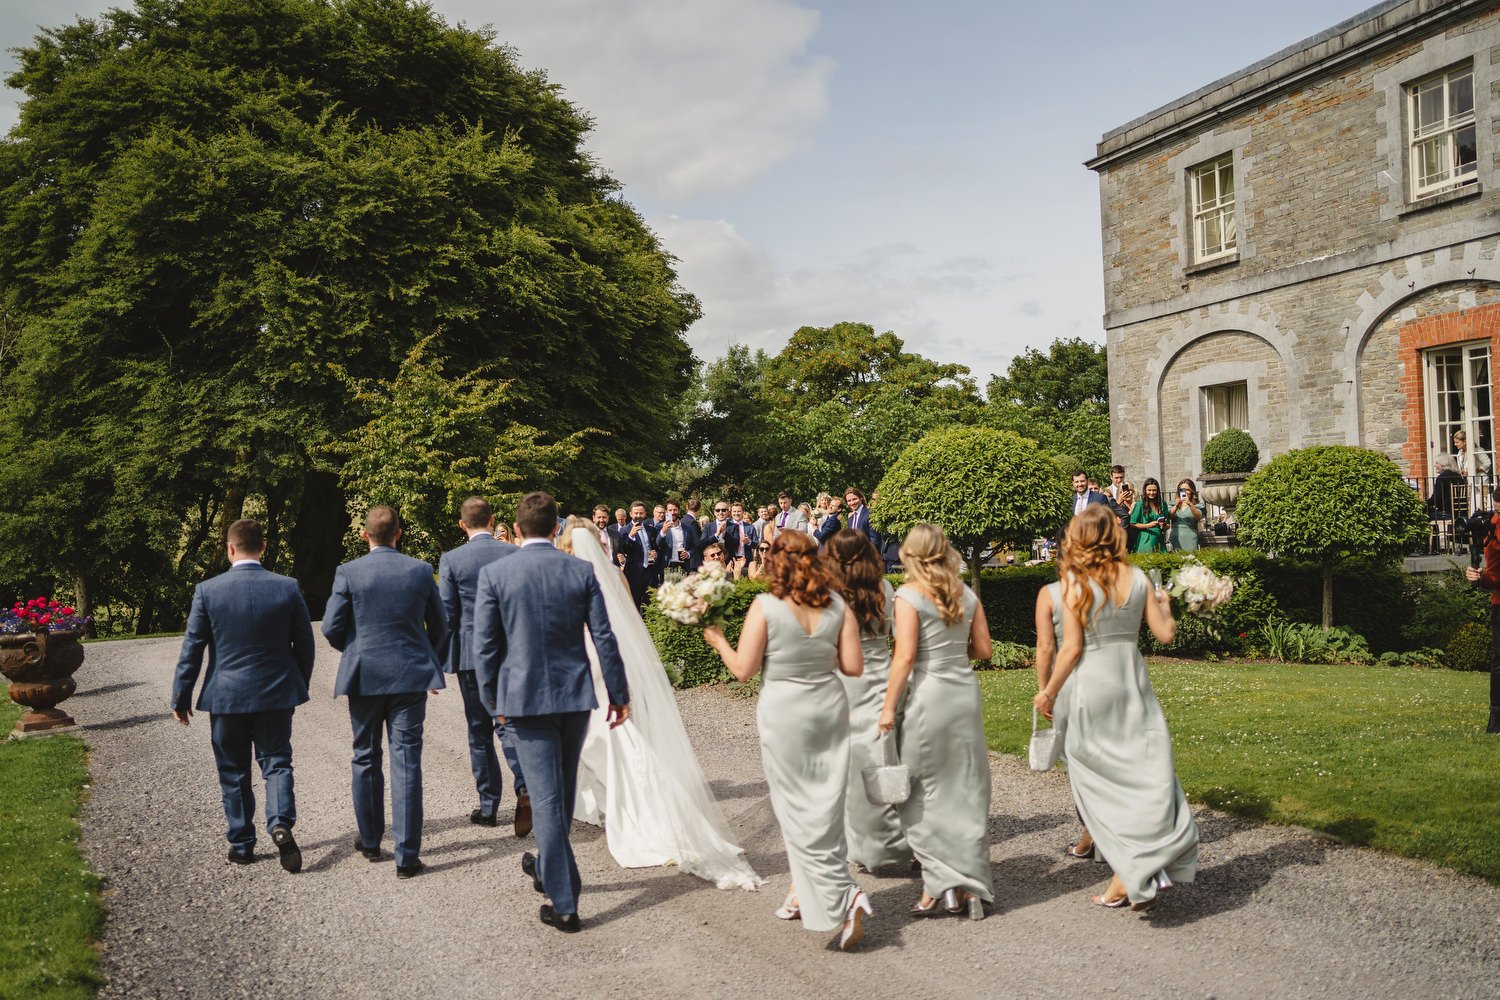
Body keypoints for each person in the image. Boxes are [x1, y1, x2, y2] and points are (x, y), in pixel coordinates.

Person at [558, 522, 764, 888]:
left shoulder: (565, 575)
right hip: (608, 660)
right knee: (609, 734)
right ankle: (613, 800)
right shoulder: (613, 573)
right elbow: (631, 624)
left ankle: (626, 806)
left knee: (596, 736)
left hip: (583, 661)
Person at [702, 531, 873, 951]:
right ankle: (804, 891)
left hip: (785, 711)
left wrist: (718, 639)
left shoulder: (765, 607)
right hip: (829, 707)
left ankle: (844, 893)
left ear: (776, 561)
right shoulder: (838, 606)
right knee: (826, 803)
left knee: (795, 808)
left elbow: (743, 669)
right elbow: (852, 667)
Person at [472, 492, 630, 933]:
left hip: (523, 700)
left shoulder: (496, 573)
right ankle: (549, 871)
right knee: (557, 792)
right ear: (555, 526)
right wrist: (618, 694)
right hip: (574, 697)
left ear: (518, 529)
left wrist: (491, 702)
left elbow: (484, 648)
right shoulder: (579, 570)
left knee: (546, 798)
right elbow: (604, 637)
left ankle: (565, 904)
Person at [1034, 504, 1198, 910]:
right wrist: (1166, 608)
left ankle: (1129, 870)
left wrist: (1048, 692)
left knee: (1098, 783)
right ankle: (1135, 867)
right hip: (1131, 683)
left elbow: (1070, 649)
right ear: (1114, 536)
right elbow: (1164, 636)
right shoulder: (1139, 578)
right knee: (1144, 771)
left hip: (1090, 685)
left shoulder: (1074, 583)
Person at [171, 518, 315, 872]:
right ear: (263, 548)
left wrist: (181, 697)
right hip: (276, 693)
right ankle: (280, 822)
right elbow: (305, 645)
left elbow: (192, 650)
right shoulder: (287, 587)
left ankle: (241, 844)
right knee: (277, 763)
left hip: (226, 696)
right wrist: (296, 685)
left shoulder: (208, 590)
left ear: (230, 548)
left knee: (233, 770)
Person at [322, 506, 448, 879]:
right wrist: (429, 664)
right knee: (407, 761)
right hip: (411, 676)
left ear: (365, 536)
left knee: (365, 755)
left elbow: (331, 627)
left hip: (364, 676)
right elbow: (441, 628)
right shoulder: (420, 570)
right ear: (399, 533)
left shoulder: (349, 572)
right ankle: (407, 857)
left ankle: (371, 840)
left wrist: (358, 650)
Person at [877, 524, 994, 919]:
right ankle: (970, 885)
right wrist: (950, 654)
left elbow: (905, 656)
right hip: (963, 693)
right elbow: (983, 649)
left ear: (911, 554)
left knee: (919, 791)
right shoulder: (968, 593)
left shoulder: (908, 595)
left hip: (928, 695)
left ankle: (938, 883)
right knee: (965, 787)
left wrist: (888, 707)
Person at [437, 497, 528, 836]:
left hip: (471, 655)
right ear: (492, 520)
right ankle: (524, 785)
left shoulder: (451, 559)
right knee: (509, 723)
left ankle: (489, 807)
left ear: (463, 524)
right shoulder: (514, 554)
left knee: (478, 730)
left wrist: (440, 658)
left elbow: (446, 613)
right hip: (511, 653)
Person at [825, 529, 912, 873]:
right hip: (881, 678)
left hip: (845, 680)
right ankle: (889, 844)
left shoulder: (831, 594)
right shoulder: (886, 588)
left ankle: (856, 846)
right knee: (883, 759)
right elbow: (896, 639)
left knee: (848, 763)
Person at [1034, 570, 1093, 861]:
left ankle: (1092, 830)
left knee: (1078, 762)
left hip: (1068, 682)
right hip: (1109, 678)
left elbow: (1046, 648)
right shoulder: (1110, 588)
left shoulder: (1052, 593)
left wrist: (1046, 690)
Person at [1461, 493, 1500, 734]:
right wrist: (1477, 576)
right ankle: (1496, 717)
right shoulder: (1492, 527)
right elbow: (1494, 573)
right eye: (1497, 510)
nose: (1497, 515)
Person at [618, 501, 658, 610]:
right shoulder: (624, 530)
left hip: (649, 571)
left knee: (651, 605)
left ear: (645, 514)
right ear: (631, 514)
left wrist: (655, 554)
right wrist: (631, 536)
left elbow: (655, 547)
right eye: (636, 513)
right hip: (634, 573)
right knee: (634, 605)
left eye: (641, 513)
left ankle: (650, 627)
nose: (638, 516)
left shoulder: (651, 530)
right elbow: (624, 549)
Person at [656, 499, 702, 573]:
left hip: (683, 566)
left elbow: (694, 546)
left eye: (675, 510)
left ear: (679, 510)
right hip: (667, 565)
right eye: (670, 510)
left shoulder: (687, 528)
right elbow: (658, 544)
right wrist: (663, 531)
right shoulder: (660, 527)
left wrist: (688, 554)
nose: (673, 512)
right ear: (666, 512)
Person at [1129, 478, 1168, 554]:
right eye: (1149, 490)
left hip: (1159, 539)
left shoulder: (1163, 504)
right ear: (1145, 491)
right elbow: (1132, 523)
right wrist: (1148, 525)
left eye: (1154, 490)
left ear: (1157, 491)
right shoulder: (1140, 504)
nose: (1151, 493)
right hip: (1145, 538)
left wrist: (1163, 525)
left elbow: (1168, 525)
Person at [700, 500, 742, 568]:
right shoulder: (708, 526)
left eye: (723, 510)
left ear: (728, 512)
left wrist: (724, 533)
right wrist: (716, 535)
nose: (720, 512)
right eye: (718, 510)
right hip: (712, 562)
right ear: (714, 512)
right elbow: (702, 544)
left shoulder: (734, 526)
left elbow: (736, 544)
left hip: (729, 561)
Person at [1169, 479, 1204, 552]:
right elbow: (1170, 516)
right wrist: (1176, 505)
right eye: (1182, 489)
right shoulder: (1173, 504)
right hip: (1176, 537)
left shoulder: (1197, 505)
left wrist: (1190, 504)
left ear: (1192, 491)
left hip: (1190, 537)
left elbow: (1198, 517)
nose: (1185, 492)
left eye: (1188, 490)